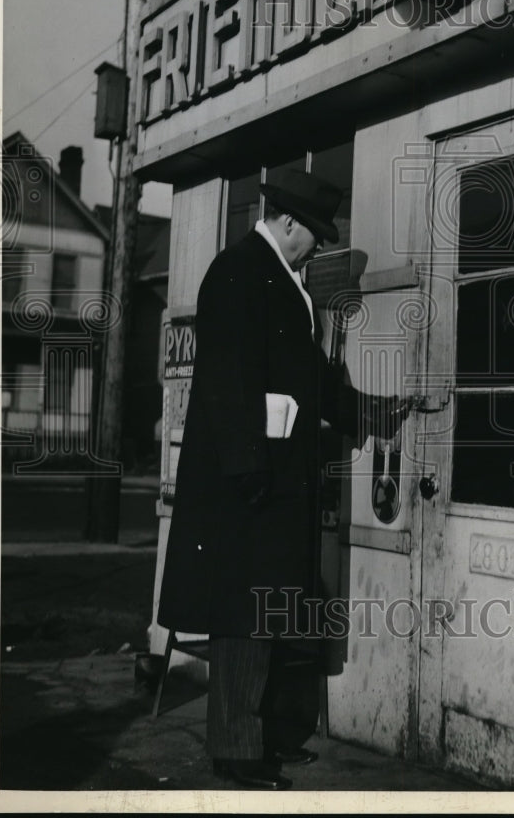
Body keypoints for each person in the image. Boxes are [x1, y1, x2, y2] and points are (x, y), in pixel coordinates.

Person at [158, 168, 409, 790]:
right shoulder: (238, 271)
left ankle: (262, 736)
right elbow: (227, 382)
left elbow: (312, 382)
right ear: (289, 222)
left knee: (270, 613)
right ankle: (237, 751)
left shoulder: (284, 282)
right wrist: (248, 473)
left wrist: (372, 413)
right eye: (317, 236)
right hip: (245, 487)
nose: (320, 248)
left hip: (271, 486)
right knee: (244, 619)